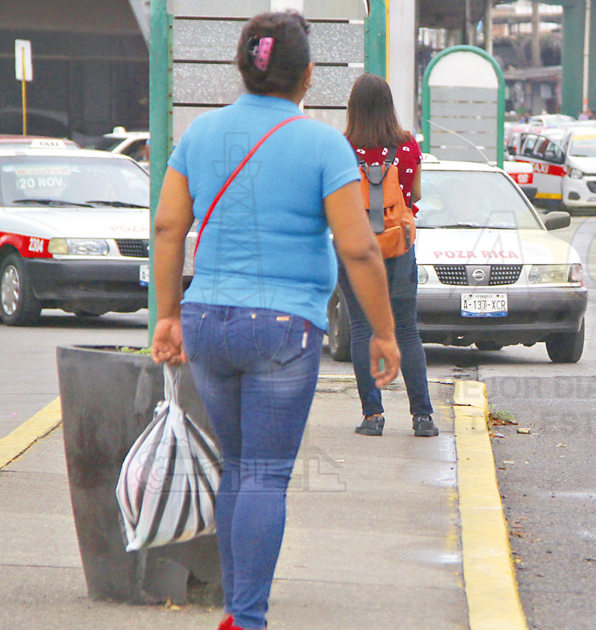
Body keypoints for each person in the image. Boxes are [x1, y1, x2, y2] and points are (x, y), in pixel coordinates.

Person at [149, 12, 401, 630]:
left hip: (207, 319)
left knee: (237, 468)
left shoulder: (200, 135)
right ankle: (247, 618)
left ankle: (238, 611)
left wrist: (167, 316)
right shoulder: (322, 145)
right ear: (308, 76)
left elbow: (166, 228)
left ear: (243, 67)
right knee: (263, 474)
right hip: (283, 329)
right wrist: (387, 332)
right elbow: (360, 246)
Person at [342, 73, 438, 438]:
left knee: (363, 329)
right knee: (408, 331)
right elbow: (413, 195)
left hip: (354, 250)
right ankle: (422, 417)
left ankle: (372, 416)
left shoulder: (342, 147)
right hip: (399, 249)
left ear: (353, 107)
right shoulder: (408, 146)